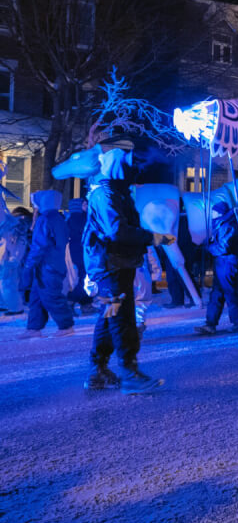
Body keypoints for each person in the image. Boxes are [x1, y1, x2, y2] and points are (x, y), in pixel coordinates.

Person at [83, 149, 162, 393]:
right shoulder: (106, 195)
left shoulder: (116, 193)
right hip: (110, 266)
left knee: (109, 318)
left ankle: (99, 371)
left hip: (116, 264)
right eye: (129, 168)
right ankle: (129, 373)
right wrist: (152, 237)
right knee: (121, 318)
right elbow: (116, 231)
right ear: (120, 169)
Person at [17, 190, 75, 338]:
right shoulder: (58, 217)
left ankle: (66, 325)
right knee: (36, 296)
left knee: (50, 295)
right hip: (52, 263)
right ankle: (34, 327)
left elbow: (39, 245)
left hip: (47, 265)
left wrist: (29, 264)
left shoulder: (45, 219)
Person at [194, 200, 238, 334]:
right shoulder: (221, 225)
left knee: (230, 292)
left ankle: (237, 322)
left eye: (214, 211)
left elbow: (224, 247)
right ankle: (210, 323)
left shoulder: (228, 225)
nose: (211, 214)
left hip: (228, 263)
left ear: (220, 213)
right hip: (222, 263)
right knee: (216, 293)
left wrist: (208, 247)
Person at [66, 197, 96, 315]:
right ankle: (72, 301)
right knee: (86, 278)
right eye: (84, 204)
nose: (87, 206)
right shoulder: (81, 219)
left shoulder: (70, 219)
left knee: (83, 277)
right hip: (84, 252)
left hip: (76, 252)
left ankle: (85, 304)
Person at [0, 206, 31, 316]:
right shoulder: (17, 225)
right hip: (11, 257)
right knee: (5, 282)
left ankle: (15, 307)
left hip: (11, 257)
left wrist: (12, 257)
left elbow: (13, 243)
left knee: (8, 282)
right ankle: (5, 304)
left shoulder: (16, 225)